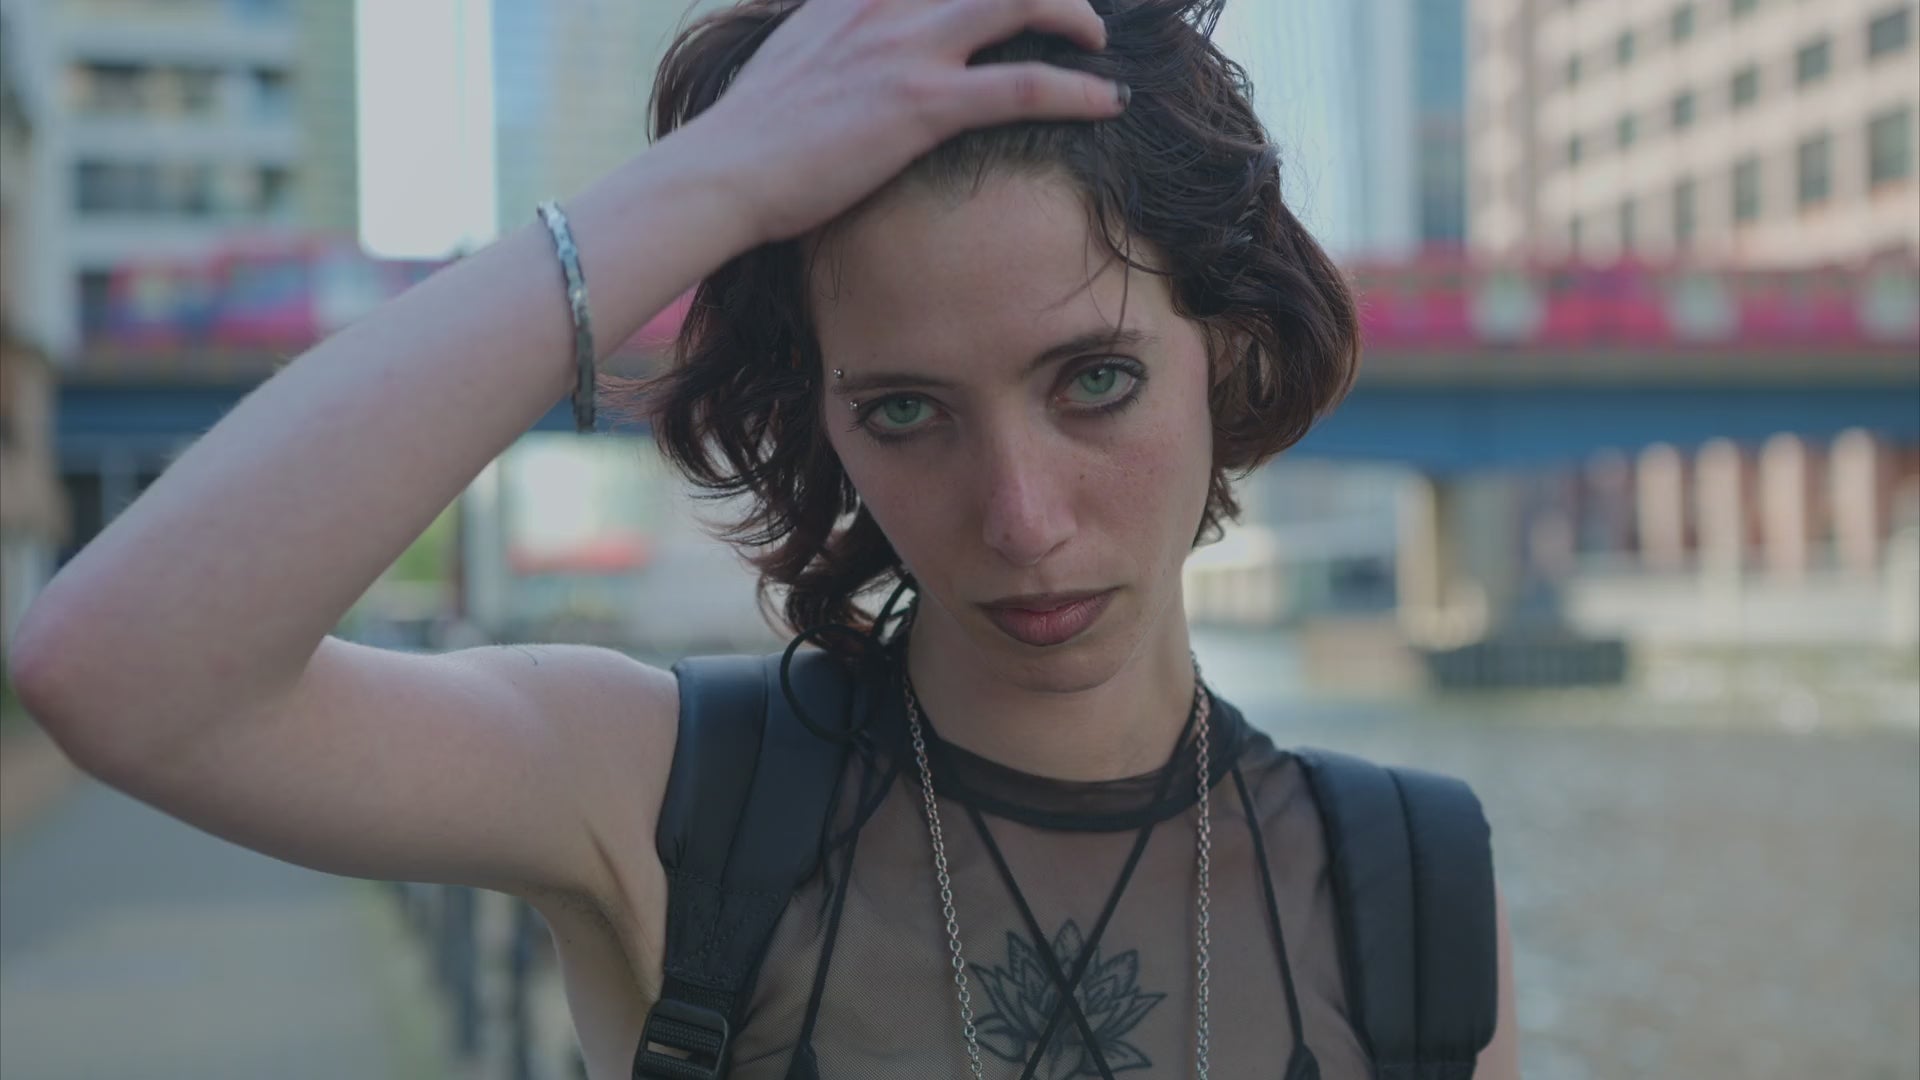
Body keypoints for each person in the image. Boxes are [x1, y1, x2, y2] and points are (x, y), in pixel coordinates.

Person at [8, 0, 1519, 1077]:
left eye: (1096, 381)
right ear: (823, 423)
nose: (1022, 515)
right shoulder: (668, 800)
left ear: (1230, 357)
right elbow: (122, 671)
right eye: (909, 411)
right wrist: (714, 181)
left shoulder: (1410, 886)